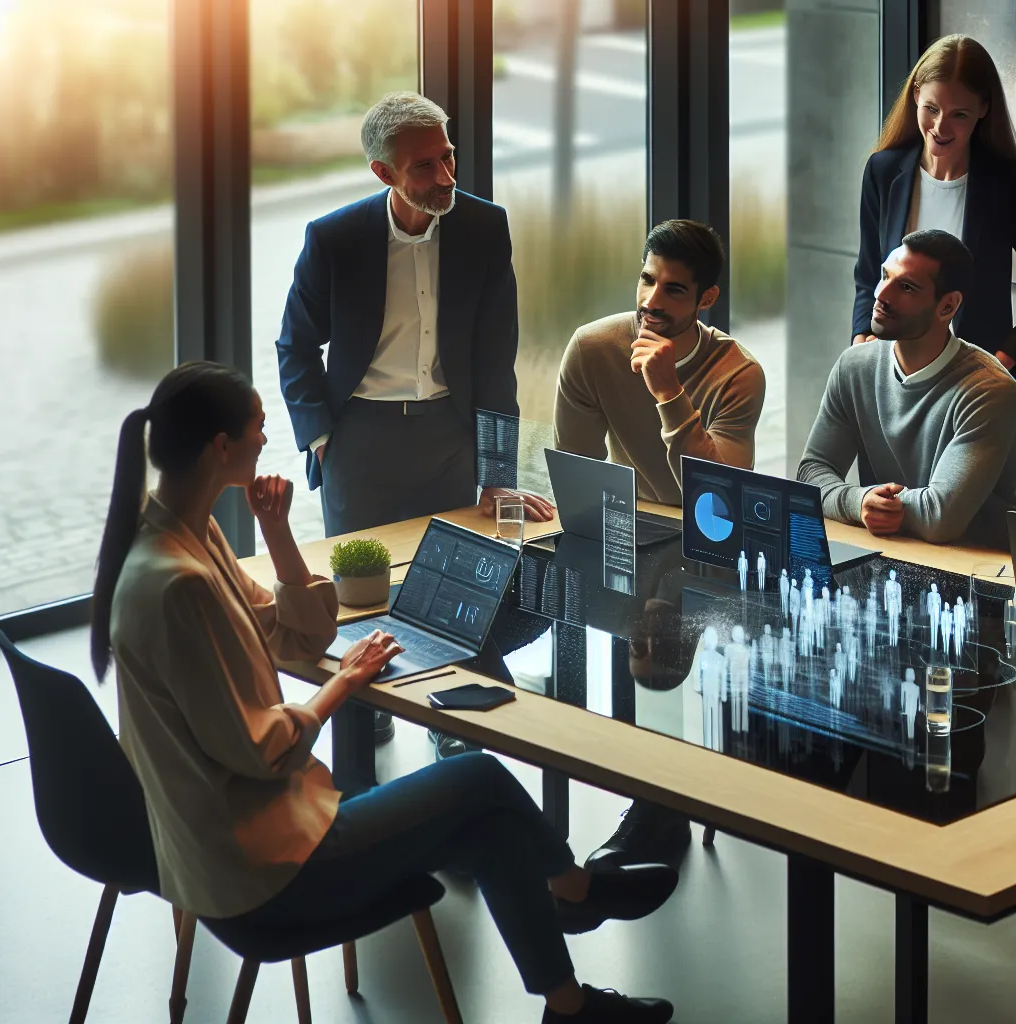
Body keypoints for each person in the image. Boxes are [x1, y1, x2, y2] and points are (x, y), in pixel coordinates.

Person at [95, 363, 678, 1023]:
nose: (268, 439)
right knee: (481, 780)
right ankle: (575, 889)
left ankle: (569, 1005)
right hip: (263, 869)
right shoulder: (179, 584)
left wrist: (280, 531)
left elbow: (302, 636)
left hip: (247, 841)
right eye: (257, 428)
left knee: (490, 825)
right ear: (219, 448)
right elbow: (259, 751)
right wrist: (339, 686)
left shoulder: (190, 538)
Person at [274, 91, 548, 751]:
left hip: (448, 439)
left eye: (448, 159)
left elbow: (495, 358)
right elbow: (294, 345)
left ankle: (450, 720)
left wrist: (497, 470)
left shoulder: (485, 228)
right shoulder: (334, 239)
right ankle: (364, 707)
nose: (446, 177)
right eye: (425, 167)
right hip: (359, 440)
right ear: (385, 174)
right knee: (363, 592)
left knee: (450, 593)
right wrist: (321, 438)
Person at [852, 34, 1016, 394]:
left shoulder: (1011, 184)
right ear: (916, 94)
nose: (940, 127)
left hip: (976, 386)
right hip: (888, 380)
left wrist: (1001, 361)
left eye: (959, 115)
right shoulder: (882, 171)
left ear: (984, 109)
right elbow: (867, 271)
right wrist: (862, 341)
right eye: (931, 109)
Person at [798, 229, 1016, 548]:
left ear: (947, 306)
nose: (881, 295)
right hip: (894, 554)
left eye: (905, 287)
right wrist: (859, 502)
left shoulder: (989, 389)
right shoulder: (854, 367)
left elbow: (940, 518)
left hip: (984, 572)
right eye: (884, 276)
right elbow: (811, 473)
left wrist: (884, 508)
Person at [555, 219, 765, 504]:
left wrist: (670, 393)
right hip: (626, 524)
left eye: (674, 289)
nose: (651, 302)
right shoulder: (591, 349)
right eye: (648, 279)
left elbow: (719, 497)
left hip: (703, 536)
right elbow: (576, 479)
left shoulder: (738, 374)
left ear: (707, 298)